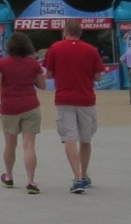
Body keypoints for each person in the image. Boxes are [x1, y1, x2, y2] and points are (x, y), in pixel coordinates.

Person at [42, 22, 105, 193]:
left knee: (70, 138)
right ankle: (84, 175)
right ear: (80, 32)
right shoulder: (91, 50)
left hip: (64, 99)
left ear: (65, 32)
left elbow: (48, 74)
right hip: (86, 99)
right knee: (86, 139)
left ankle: (76, 178)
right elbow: (98, 76)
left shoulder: (55, 48)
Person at [0, 34, 46, 193]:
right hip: (30, 106)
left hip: (9, 108)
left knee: (10, 144)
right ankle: (31, 181)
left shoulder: (2, 63)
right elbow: (42, 85)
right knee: (29, 145)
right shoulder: (33, 64)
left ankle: (9, 176)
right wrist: (30, 80)